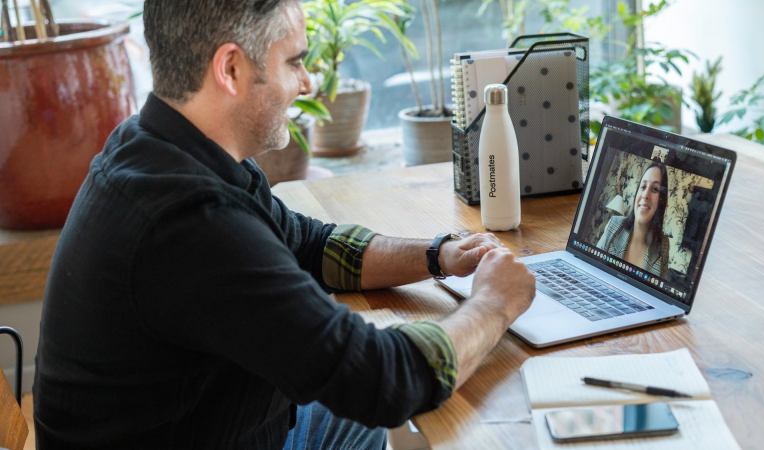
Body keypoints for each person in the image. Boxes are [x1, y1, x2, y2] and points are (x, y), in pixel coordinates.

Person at [33, 1, 536, 449]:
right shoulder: (191, 224)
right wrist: (494, 304)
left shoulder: (161, 146)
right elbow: (383, 381)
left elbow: (309, 245)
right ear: (231, 68)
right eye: (294, 61)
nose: (308, 82)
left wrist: (438, 254)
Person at [597, 162, 670, 277]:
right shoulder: (614, 224)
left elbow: (660, 285)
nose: (645, 195)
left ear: (661, 200)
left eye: (655, 189)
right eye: (643, 187)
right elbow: (593, 265)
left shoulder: (663, 245)